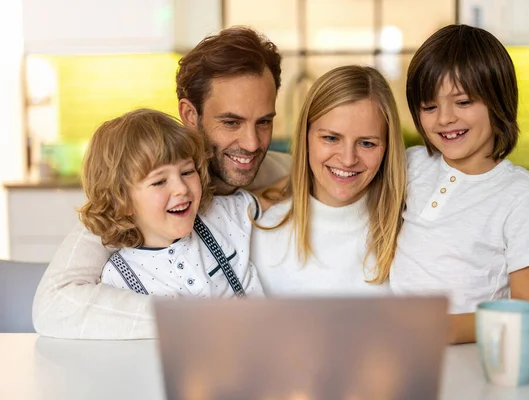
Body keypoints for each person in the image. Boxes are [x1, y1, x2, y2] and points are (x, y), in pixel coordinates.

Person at [32, 27, 288, 339]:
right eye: (231, 122)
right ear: (190, 115)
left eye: (264, 121)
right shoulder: (128, 203)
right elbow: (56, 304)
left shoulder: (280, 174)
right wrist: (189, 321)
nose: (251, 144)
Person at [390, 24, 529, 344]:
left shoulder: (523, 195)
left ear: (498, 101)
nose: (444, 118)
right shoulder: (412, 164)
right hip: (401, 349)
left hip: (472, 353)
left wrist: (440, 328)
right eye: (429, 106)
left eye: (463, 102)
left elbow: (528, 310)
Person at [251, 65, 407, 296]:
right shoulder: (259, 229)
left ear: (387, 147)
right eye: (331, 138)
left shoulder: (409, 230)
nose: (347, 159)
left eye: (367, 143)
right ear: (306, 137)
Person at [81, 109, 262, 299]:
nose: (181, 189)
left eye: (187, 172)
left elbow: (275, 200)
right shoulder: (118, 280)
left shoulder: (220, 215)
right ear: (122, 202)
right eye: (159, 181)